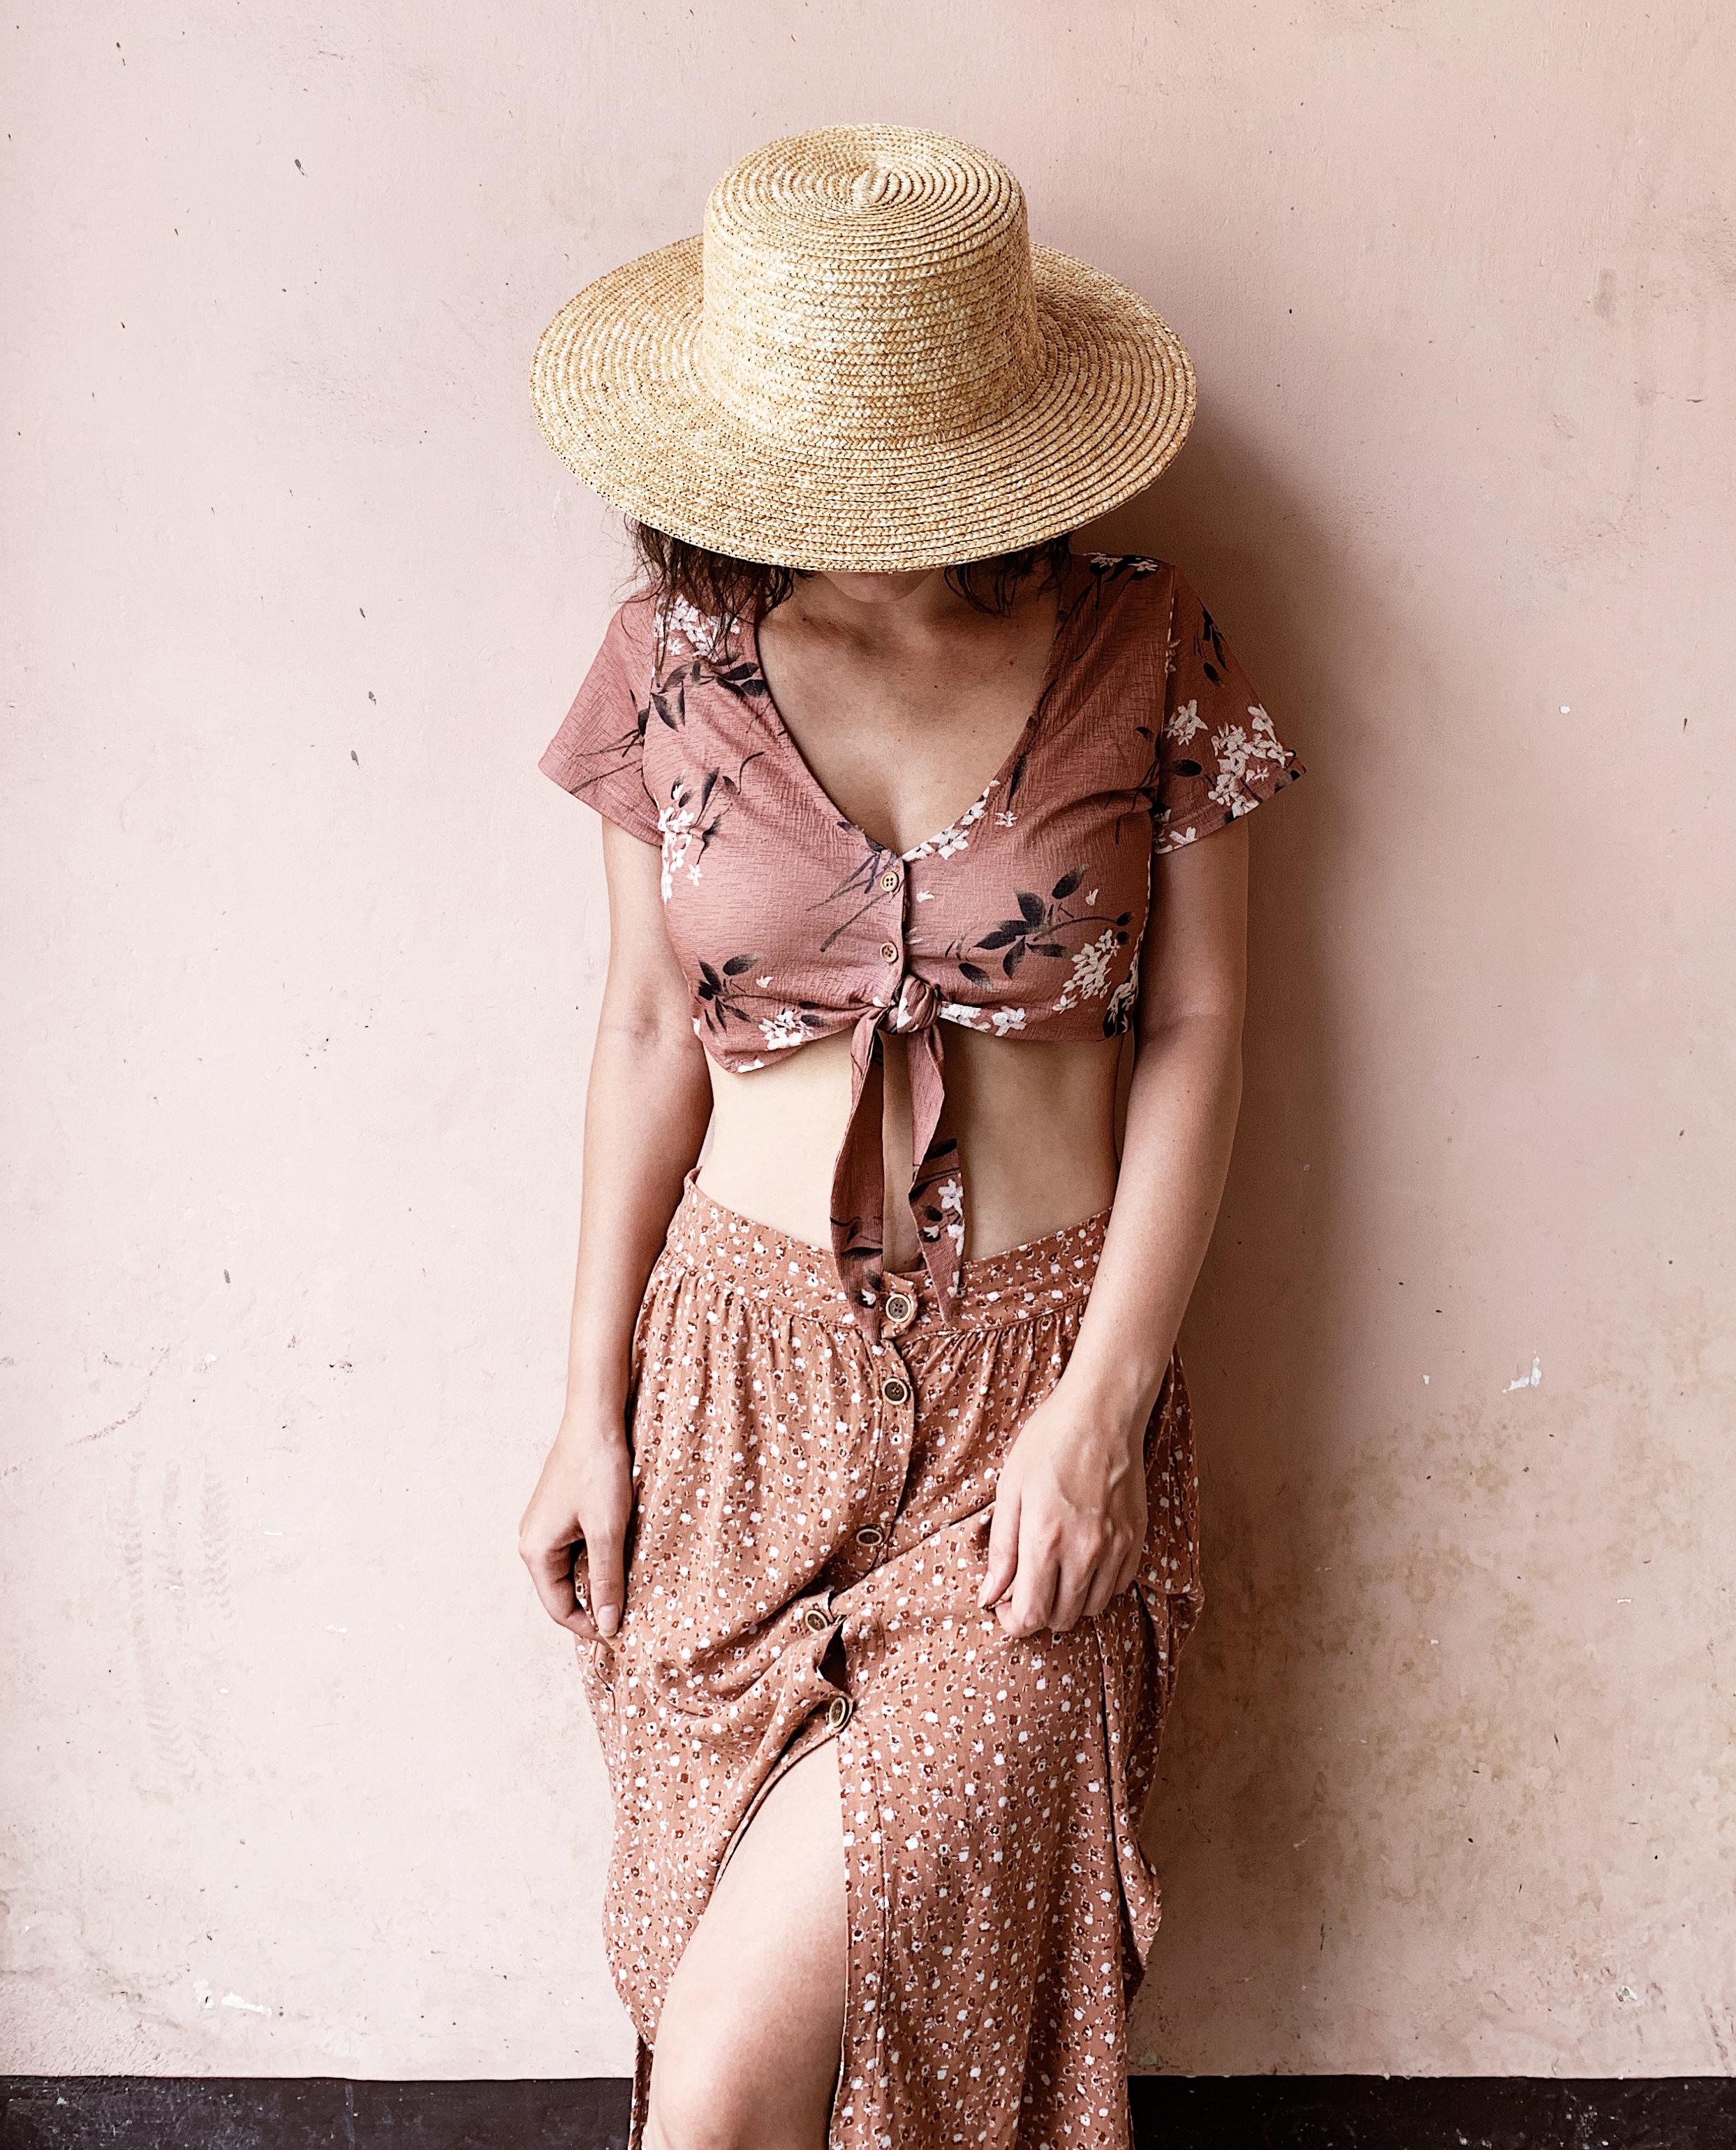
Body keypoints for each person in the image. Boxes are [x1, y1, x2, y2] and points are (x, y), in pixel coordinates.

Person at [518, 124, 1299, 2150]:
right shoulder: (666, 664)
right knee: (719, 2048)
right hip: (731, 1394)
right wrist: (587, 1410)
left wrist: (1102, 1411)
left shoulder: (1151, 644)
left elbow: (1202, 1029)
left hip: (1030, 1394)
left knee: (728, 2092)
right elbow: (642, 1031)